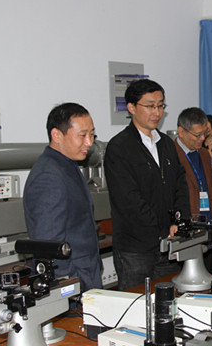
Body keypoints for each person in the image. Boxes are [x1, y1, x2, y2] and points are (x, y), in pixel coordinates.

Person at [104, 79, 190, 290]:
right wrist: (161, 229)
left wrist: (178, 220)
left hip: (168, 245)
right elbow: (129, 200)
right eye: (150, 106)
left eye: (160, 106)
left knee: (168, 302)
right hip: (136, 249)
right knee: (137, 303)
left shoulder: (166, 144)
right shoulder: (119, 147)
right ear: (132, 108)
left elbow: (180, 184)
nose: (157, 112)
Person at [23, 102, 102, 292]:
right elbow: (50, 245)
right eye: (82, 135)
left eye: (92, 135)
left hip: (85, 273)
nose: (89, 142)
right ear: (57, 135)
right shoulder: (48, 176)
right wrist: (70, 287)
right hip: (70, 281)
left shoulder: (67, 164)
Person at [174, 107, 212, 274]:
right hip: (186, 230)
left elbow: (209, 189)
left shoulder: (204, 154)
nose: (203, 138)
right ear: (181, 132)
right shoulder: (170, 154)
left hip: (207, 226)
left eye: (205, 134)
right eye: (197, 135)